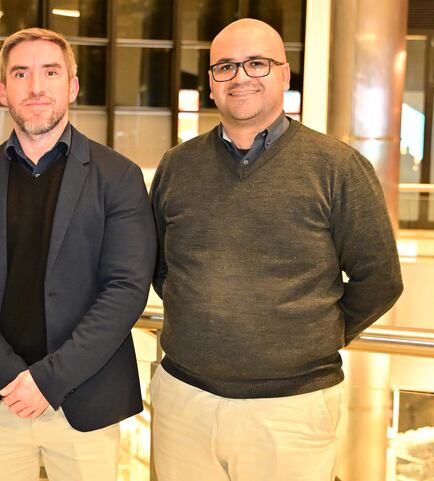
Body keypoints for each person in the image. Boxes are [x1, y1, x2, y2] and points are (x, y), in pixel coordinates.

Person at [150, 18, 403, 481]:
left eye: (257, 63)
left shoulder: (338, 167)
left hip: (292, 410)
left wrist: (313, 335)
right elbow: (161, 266)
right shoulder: (177, 165)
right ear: (211, 84)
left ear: (285, 75)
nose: (240, 77)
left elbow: (379, 278)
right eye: (225, 66)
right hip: (184, 400)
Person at [0, 28, 156, 481]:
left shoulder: (119, 177)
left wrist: (49, 380)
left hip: (85, 397)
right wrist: (8, 376)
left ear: (72, 86)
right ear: (2, 90)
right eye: (21, 74)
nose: (36, 86)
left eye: (50, 73)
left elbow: (126, 289)